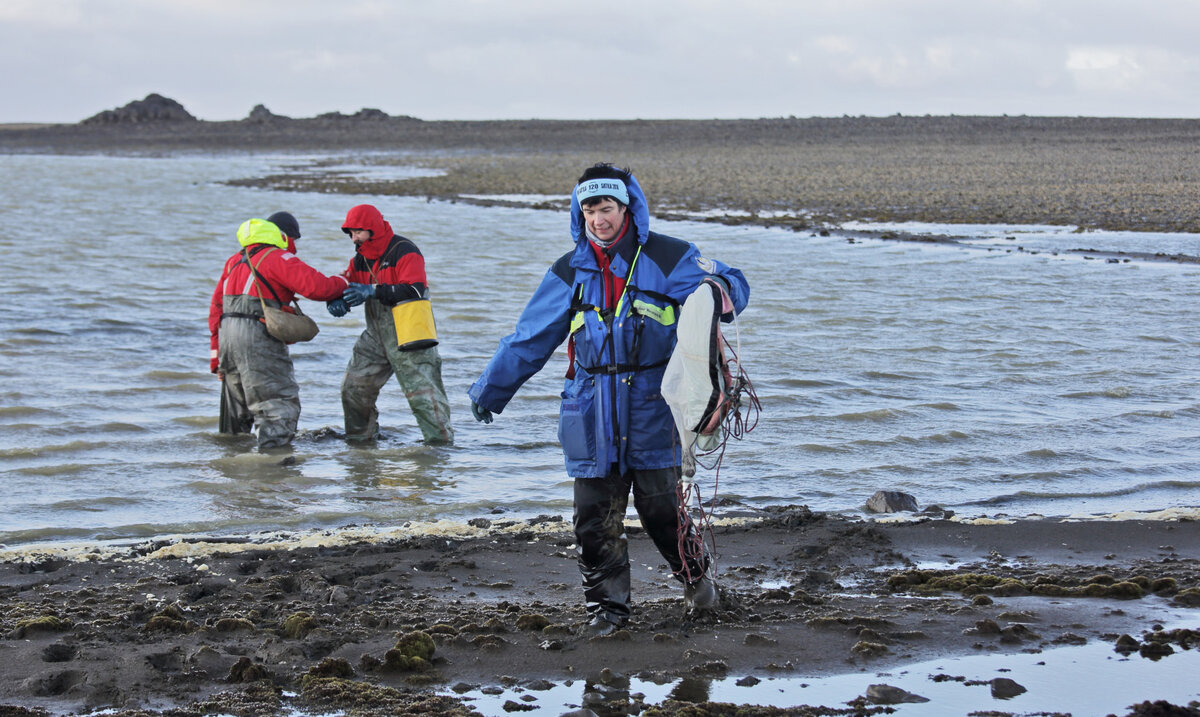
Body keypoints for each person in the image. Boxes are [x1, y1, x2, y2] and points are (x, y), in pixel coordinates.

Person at [468, 163, 750, 636]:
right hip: (589, 411)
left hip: (653, 409)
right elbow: (527, 339)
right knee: (593, 522)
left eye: (607, 208)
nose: (599, 219)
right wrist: (491, 391)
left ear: (626, 208)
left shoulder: (668, 256)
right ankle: (608, 613)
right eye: (589, 209)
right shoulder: (568, 270)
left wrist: (715, 294)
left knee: (663, 515)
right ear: (579, 214)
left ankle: (698, 582)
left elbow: (734, 283)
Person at [209, 212, 349, 450]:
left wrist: (217, 360)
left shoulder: (234, 260)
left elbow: (216, 309)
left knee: (235, 415)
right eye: (294, 240)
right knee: (277, 405)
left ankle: (231, 472)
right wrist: (344, 281)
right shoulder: (277, 257)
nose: (295, 246)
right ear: (284, 236)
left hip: (227, 338)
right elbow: (318, 288)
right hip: (257, 336)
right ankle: (273, 473)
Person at [330, 204, 453, 445]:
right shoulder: (359, 260)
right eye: (351, 234)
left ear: (372, 229)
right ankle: (360, 444)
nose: (354, 238)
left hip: (410, 332)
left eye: (358, 232)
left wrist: (373, 290)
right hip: (375, 335)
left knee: (423, 394)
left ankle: (440, 449)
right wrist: (337, 299)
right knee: (353, 387)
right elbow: (346, 282)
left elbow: (415, 288)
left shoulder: (405, 250)